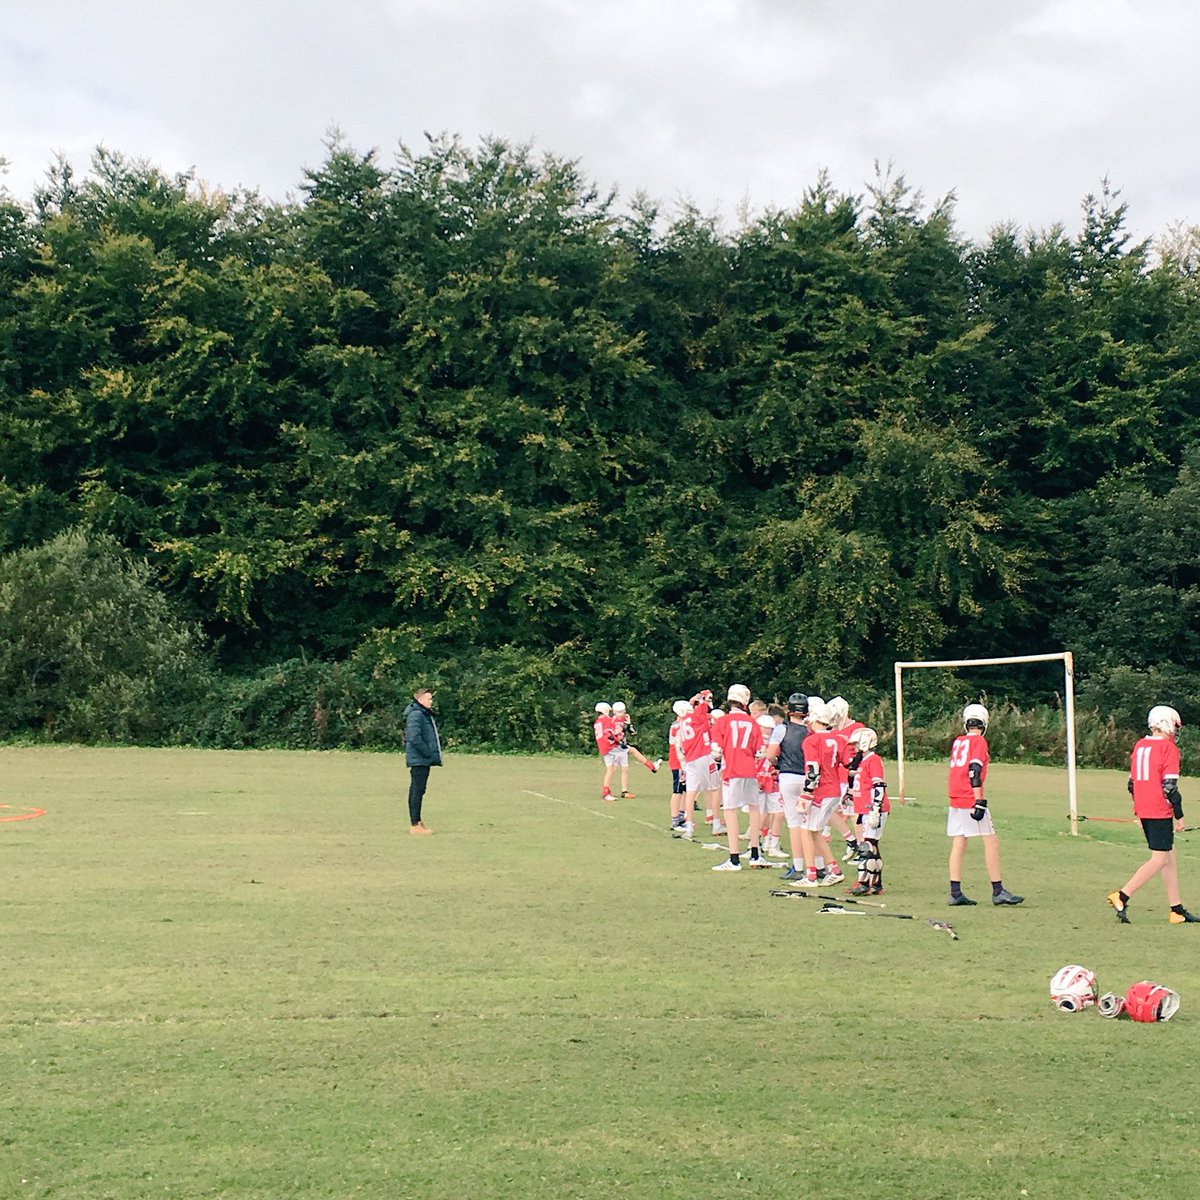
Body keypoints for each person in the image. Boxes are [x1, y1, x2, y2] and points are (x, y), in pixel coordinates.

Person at [1108, 705, 1199, 925]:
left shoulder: (1140, 745)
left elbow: (1132, 784)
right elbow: (1169, 787)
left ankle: (1176, 909)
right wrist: (1179, 814)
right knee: (1159, 858)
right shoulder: (1168, 749)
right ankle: (1122, 895)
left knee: (1169, 854)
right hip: (1159, 809)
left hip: (1145, 807)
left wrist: (1139, 810)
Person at [946, 703, 1023, 906]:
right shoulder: (978, 742)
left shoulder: (958, 742)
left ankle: (955, 892)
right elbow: (974, 771)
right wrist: (979, 800)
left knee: (959, 842)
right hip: (968, 797)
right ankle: (997, 890)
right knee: (991, 841)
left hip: (954, 796)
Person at [710, 684, 764, 871]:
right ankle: (755, 853)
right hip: (750, 770)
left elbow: (716, 752)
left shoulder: (722, 721)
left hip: (732, 769)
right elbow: (760, 751)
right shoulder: (753, 723)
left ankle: (734, 858)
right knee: (754, 808)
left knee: (730, 811)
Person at [845, 726, 889, 896]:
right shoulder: (864, 761)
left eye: (856, 744)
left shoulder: (873, 760)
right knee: (873, 845)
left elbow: (878, 785)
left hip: (872, 808)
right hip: (866, 808)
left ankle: (863, 882)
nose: (854, 747)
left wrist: (875, 809)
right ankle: (876, 883)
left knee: (867, 846)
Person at [404, 686, 442, 835]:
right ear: (420, 699)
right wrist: (428, 753)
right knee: (416, 790)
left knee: (420, 789)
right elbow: (414, 738)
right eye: (429, 698)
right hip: (419, 758)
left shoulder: (423, 714)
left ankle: (418, 821)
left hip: (422, 758)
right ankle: (415, 824)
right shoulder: (416, 715)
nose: (431, 701)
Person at [610, 702, 662, 797]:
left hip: (621, 746)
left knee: (630, 755)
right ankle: (616, 790)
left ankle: (652, 767)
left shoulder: (618, 720)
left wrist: (628, 723)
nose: (621, 714)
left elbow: (633, 732)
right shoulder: (615, 721)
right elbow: (617, 733)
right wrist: (626, 726)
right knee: (619, 768)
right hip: (617, 747)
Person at [594, 702, 619, 801]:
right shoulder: (607, 720)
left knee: (611, 769)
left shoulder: (597, 721)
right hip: (609, 746)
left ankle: (606, 791)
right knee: (630, 750)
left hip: (602, 746)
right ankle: (606, 793)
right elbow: (609, 734)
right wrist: (617, 739)